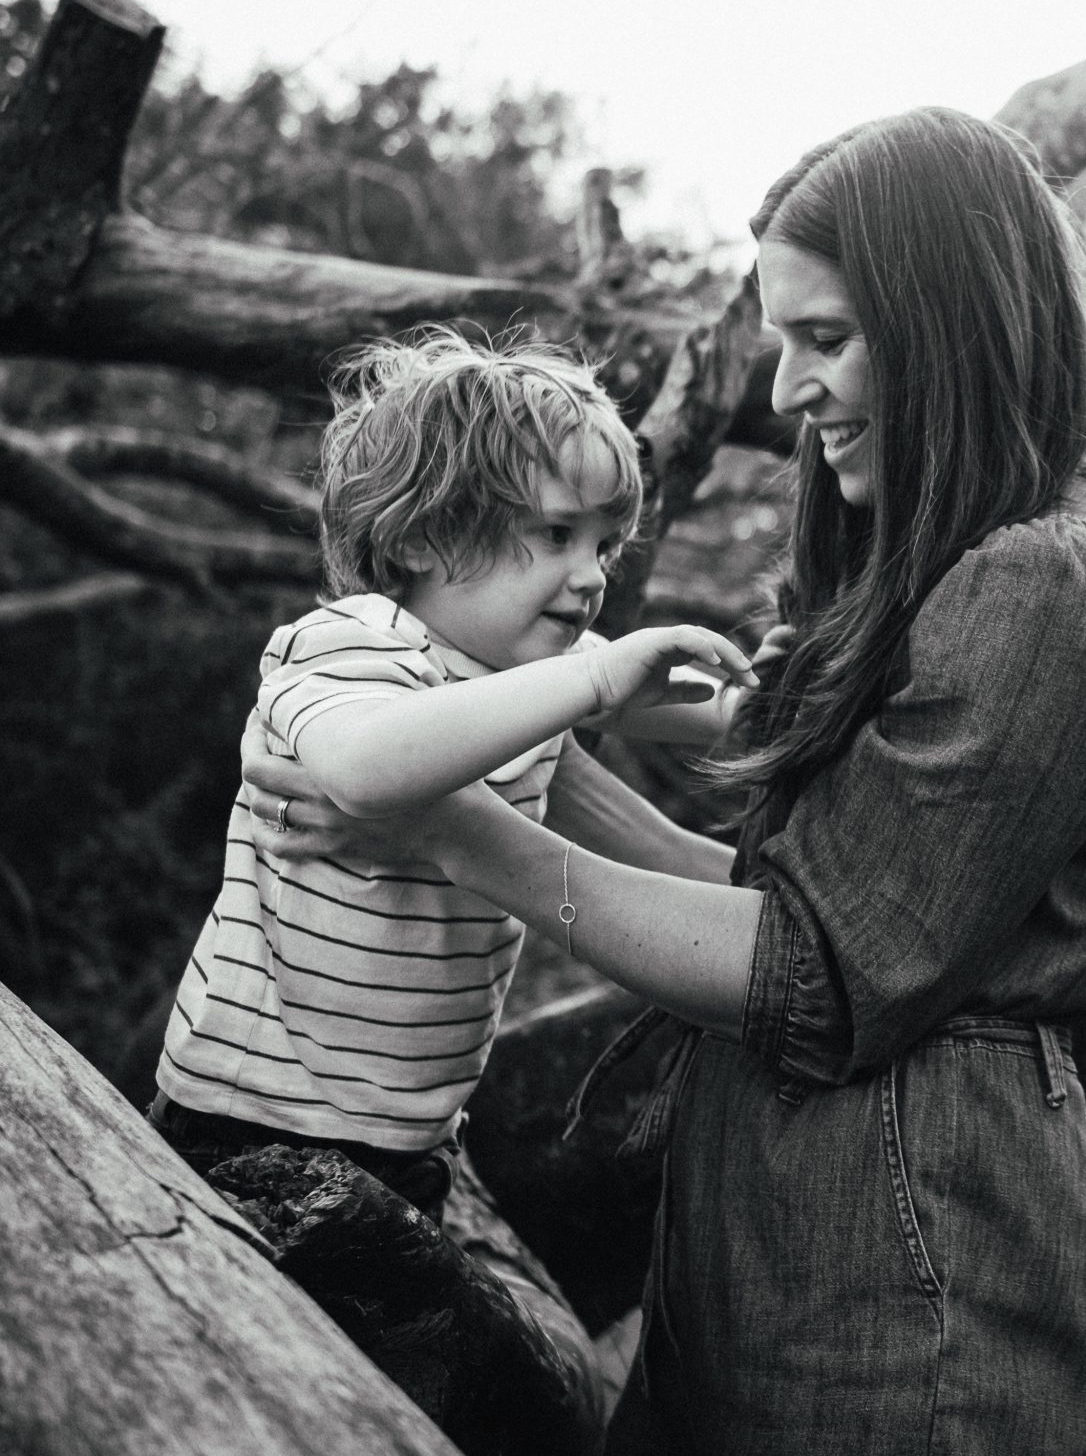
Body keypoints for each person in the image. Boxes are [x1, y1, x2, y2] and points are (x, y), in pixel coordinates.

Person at [246, 106, 1086, 1455]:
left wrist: (452, 830)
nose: (791, 391)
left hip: (912, 1273)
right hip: (795, 1238)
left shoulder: (1048, 581)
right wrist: (523, 758)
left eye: (828, 338)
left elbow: (810, 971)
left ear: (956, 319)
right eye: (781, 341)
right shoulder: (975, 562)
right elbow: (787, 904)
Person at [151, 333, 755, 1224]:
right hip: (255, 1122)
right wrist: (593, 680)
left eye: (605, 545)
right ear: (427, 535)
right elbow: (362, 770)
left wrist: (769, 698)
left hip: (408, 1138)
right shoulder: (355, 644)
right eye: (556, 534)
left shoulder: (531, 664)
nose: (590, 578)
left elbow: (705, 712)